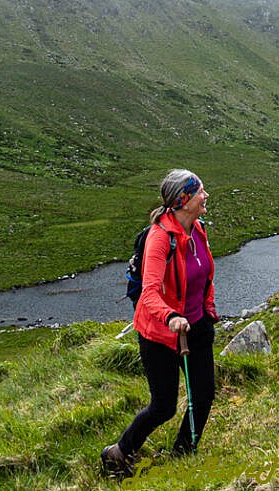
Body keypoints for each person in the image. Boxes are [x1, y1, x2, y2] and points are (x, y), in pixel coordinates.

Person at [102, 169, 219, 474]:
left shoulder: (198, 228)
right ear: (183, 200)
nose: (205, 196)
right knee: (164, 406)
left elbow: (205, 273)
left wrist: (207, 309)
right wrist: (171, 317)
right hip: (160, 334)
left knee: (204, 395)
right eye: (200, 192)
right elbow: (149, 294)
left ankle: (183, 454)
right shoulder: (159, 238)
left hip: (196, 327)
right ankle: (118, 452)